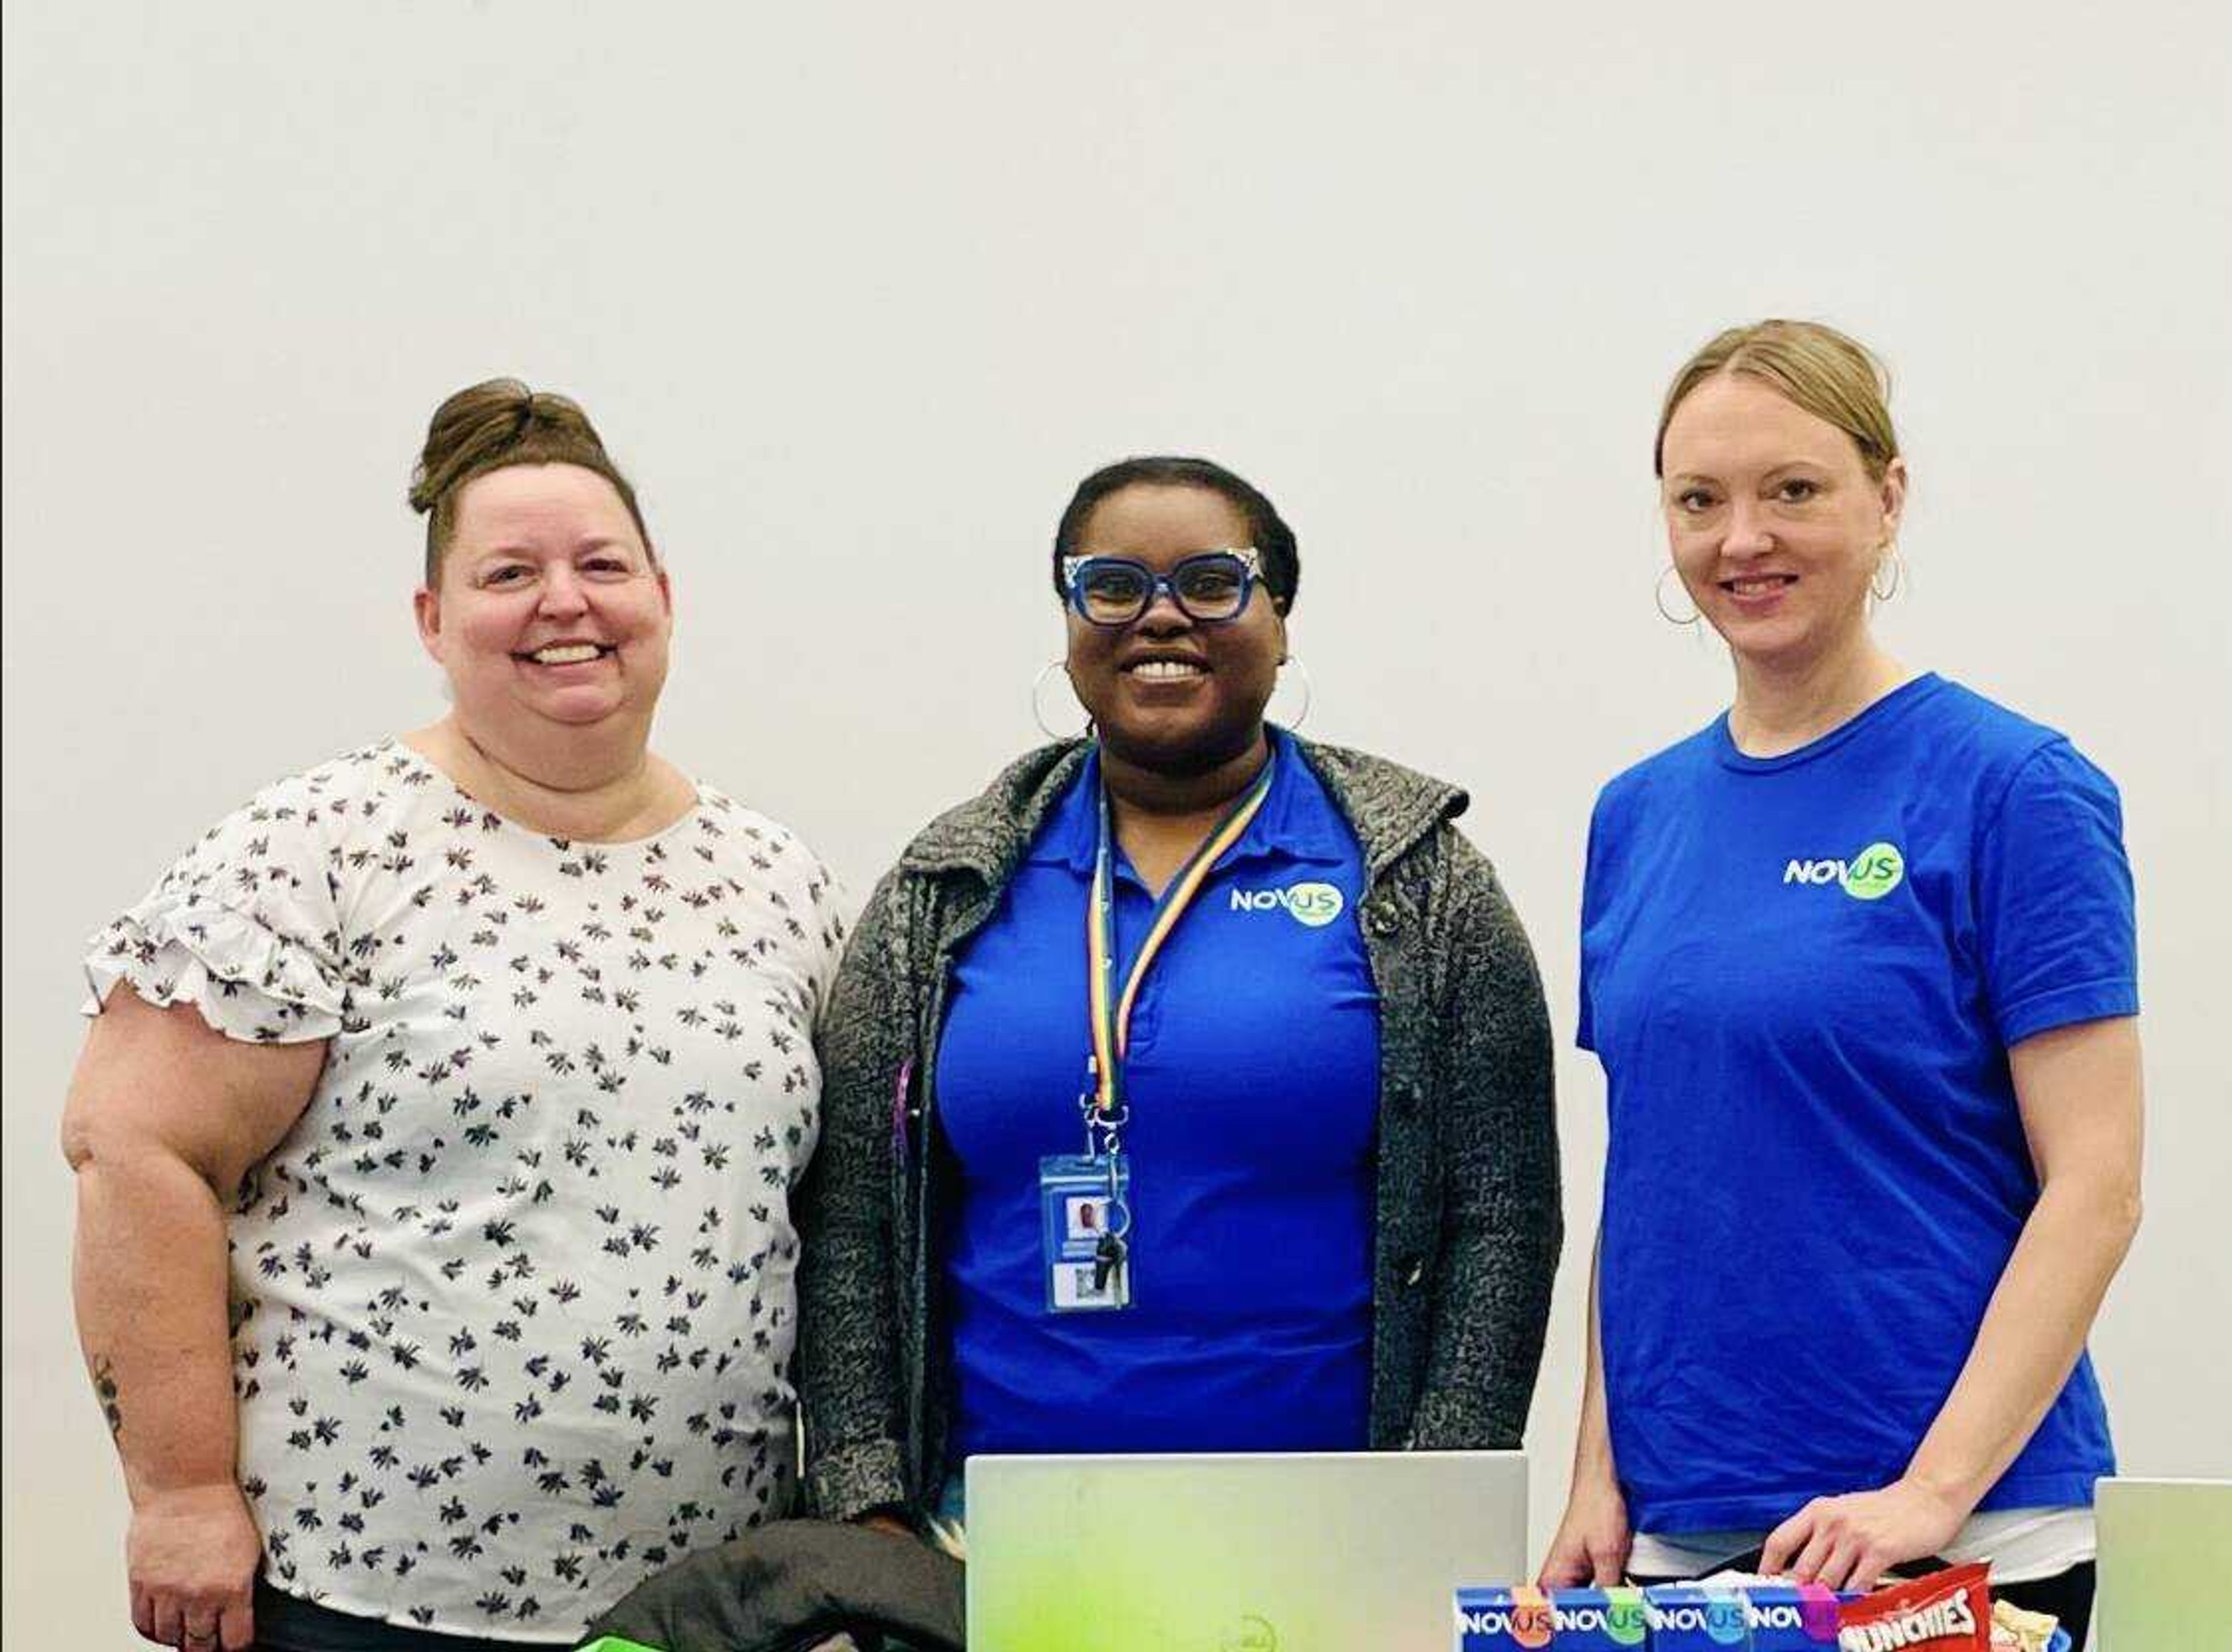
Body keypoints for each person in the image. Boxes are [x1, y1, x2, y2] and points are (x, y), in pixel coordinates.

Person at [63, 382, 846, 1650]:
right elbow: (136, 1151)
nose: (564, 602)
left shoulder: (778, 879)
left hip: (697, 1603)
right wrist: (179, 1493)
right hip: (362, 1593)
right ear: (434, 618)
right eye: (509, 572)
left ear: (664, 595)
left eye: (602, 564)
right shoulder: (316, 848)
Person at [797, 455, 1562, 1536]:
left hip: (1328, 1535)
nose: (1161, 618)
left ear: (1282, 616)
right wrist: (869, 1503)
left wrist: (1432, 1501)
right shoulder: (947, 886)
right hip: (993, 1537)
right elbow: (854, 1220)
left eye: (1212, 581)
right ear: (1067, 621)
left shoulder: (1418, 881)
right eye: (1112, 586)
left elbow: (1502, 1218)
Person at [1540, 321, 2142, 1646]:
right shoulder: (1634, 815)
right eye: (1700, 500)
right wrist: (1599, 1468)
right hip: (1681, 1546)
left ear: (1888, 496)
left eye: (1793, 490)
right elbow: (1654, 1175)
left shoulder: (2015, 790)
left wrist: (1928, 1491)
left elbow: (2098, 1182)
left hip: (1957, 1546)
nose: (1742, 537)